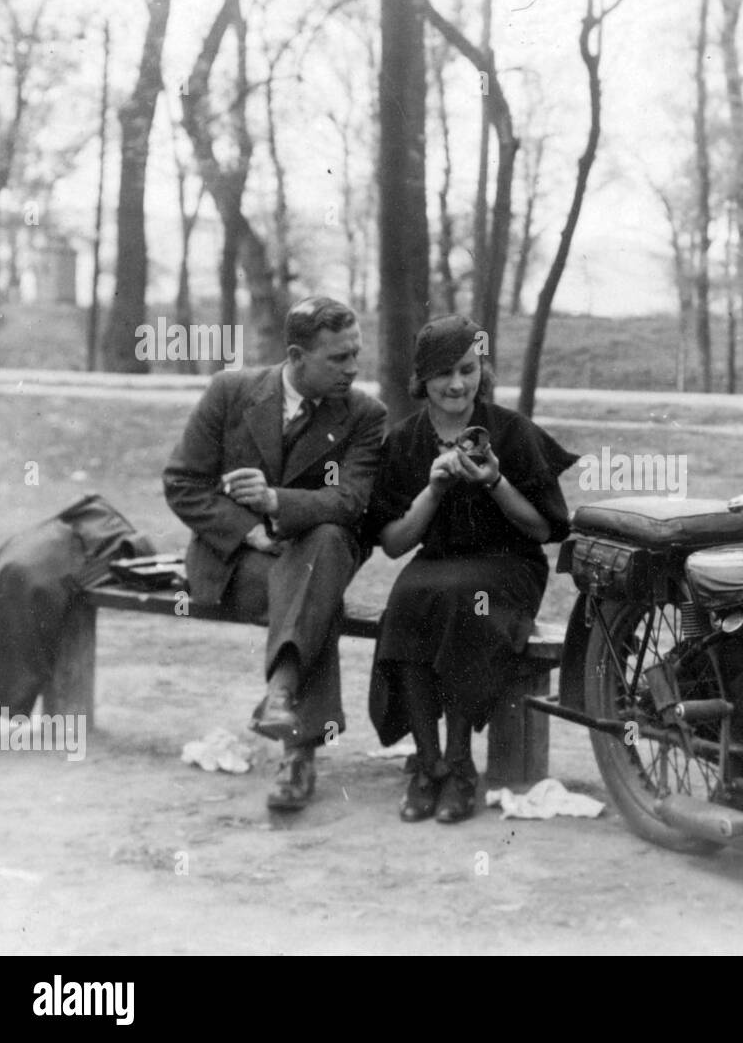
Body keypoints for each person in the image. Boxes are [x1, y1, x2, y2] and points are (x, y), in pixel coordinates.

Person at [163, 296, 387, 812]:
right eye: (338, 358)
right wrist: (252, 530)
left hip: (315, 557)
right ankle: (296, 751)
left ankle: (284, 702)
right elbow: (183, 483)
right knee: (314, 592)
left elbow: (352, 502)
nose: (352, 368)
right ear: (295, 355)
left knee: (325, 548)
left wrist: (274, 502)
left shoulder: (363, 415)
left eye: (355, 354)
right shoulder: (231, 392)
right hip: (234, 564)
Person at [366, 315, 577, 824]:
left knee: (462, 599)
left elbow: (545, 530)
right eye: (443, 374)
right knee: (408, 601)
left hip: (508, 566)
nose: (457, 384)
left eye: (467, 369)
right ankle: (428, 763)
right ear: (422, 381)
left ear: (480, 369)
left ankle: (459, 765)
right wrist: (433, 490)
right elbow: (395, 543)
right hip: (436, 562)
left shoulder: (509, 431)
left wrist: (496, 481)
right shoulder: (406, 441)